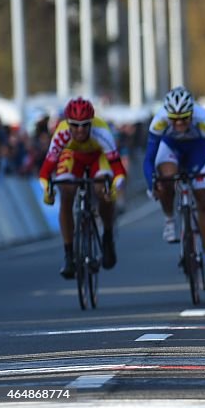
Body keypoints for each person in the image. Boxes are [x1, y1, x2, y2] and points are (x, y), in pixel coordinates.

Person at [144, 87, 205, 289]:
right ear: (168, 116)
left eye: (184, 119)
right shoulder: (160, 120)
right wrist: (152, 182)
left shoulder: (203, 118)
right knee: (166, 178)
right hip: (171, 148)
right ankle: (170, 218)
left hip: (198, 150)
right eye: (175, 119)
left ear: (192, 113)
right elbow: (148, 159)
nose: (179, 124)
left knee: (203, 200)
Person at [38, 98, 126, 278]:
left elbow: (119, 171)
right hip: (73, 157)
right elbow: (45, 172)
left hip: (97, 157)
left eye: (85, 125)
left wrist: (114, 188)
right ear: (67, 123)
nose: (79, 130)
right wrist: (48, 190)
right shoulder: (61, 133)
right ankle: (69, 255)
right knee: (66, 191)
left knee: (103, 188)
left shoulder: (101, 131)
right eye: (75, 125)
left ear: (91, 122)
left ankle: (107, 235)